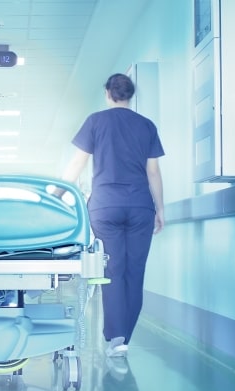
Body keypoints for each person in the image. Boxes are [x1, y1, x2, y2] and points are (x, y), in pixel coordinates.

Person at [60, 73, 165, 370]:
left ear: (108, 93)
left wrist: (57, 194)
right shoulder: (147, 126)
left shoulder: (96, 121)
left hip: (105, 207)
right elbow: (153, 172)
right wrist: (160, 208)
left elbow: (77, 164)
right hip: (140, 206)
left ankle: (115, 336)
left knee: (112, 271)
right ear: (130, 95)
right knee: (135, 271)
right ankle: (123, 338)